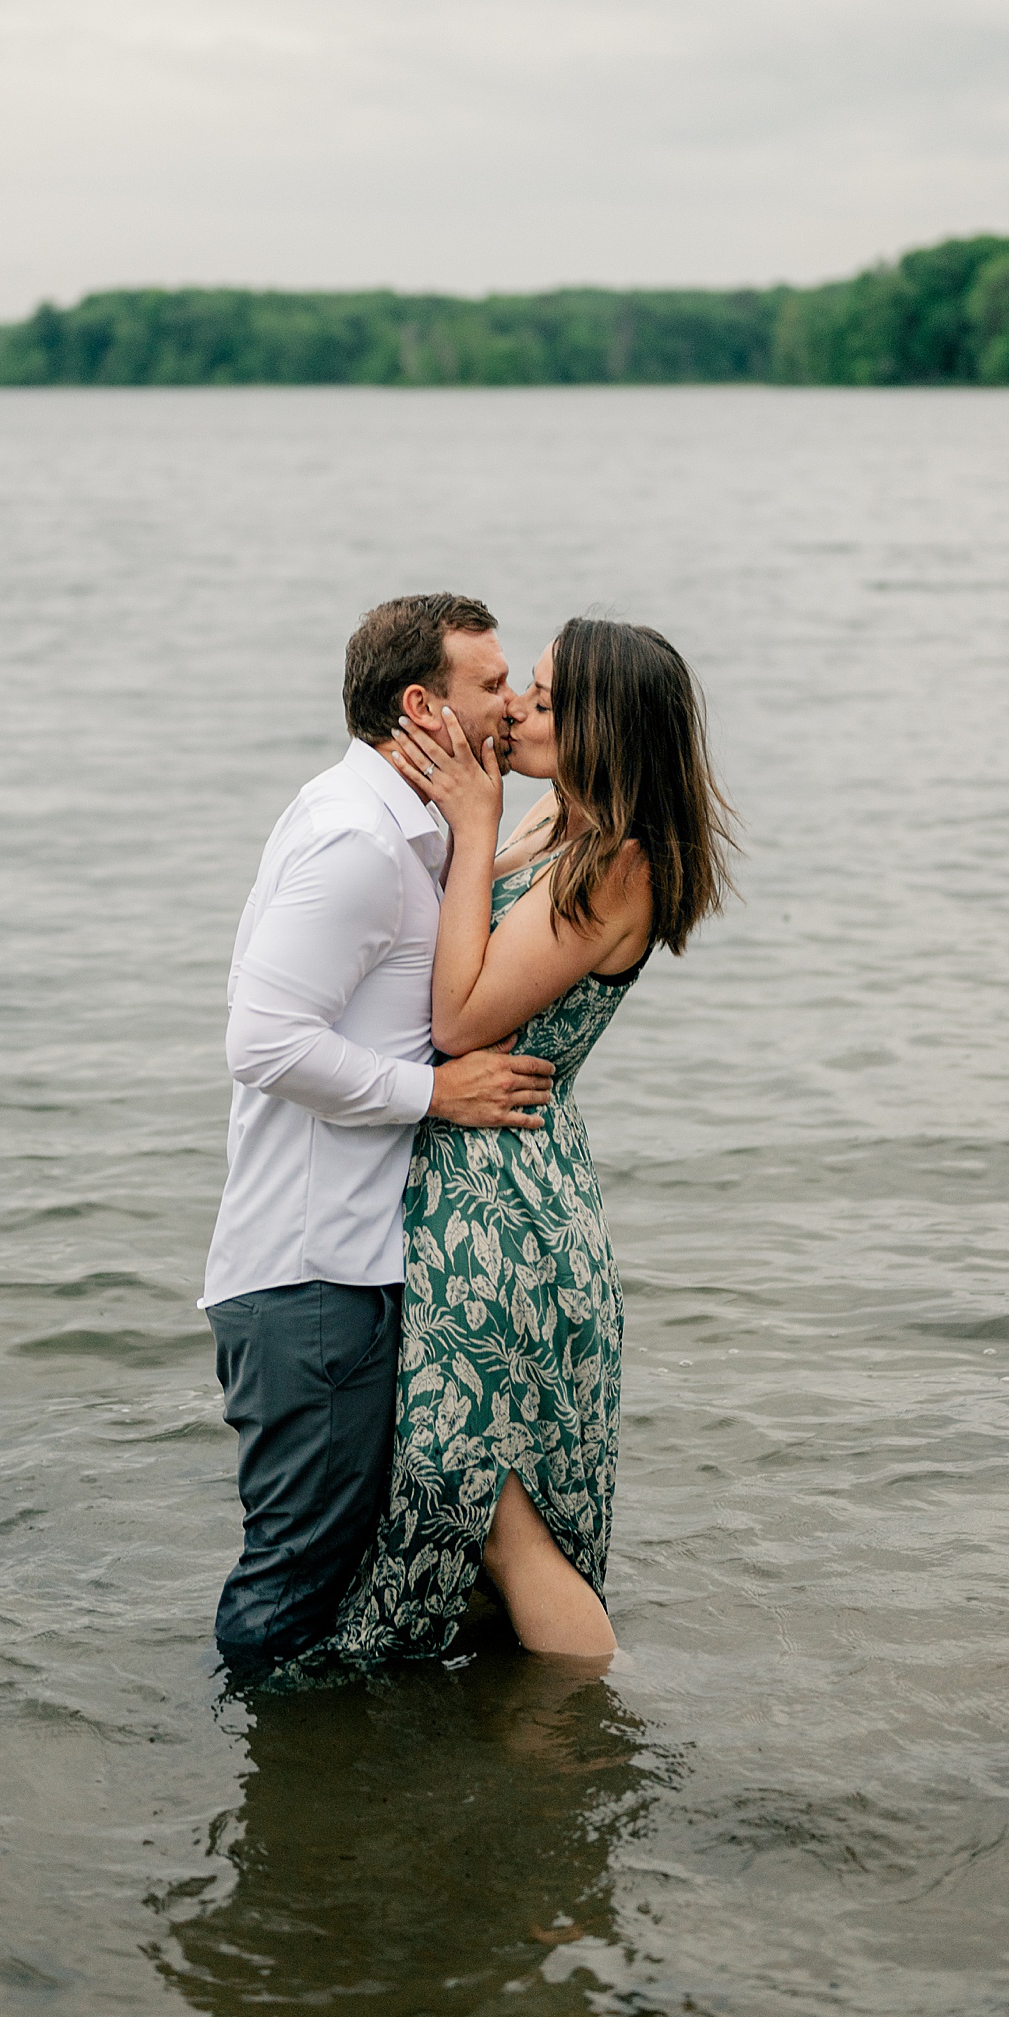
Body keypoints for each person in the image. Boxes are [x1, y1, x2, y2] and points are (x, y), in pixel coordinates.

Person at [321, 615, 736, 1665]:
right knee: (471, 1495)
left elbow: (461, 1020)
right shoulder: (565, 824)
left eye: (544, 698)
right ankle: (519, 1748)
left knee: (498, 1519)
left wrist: (472, 829)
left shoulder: (617, 864)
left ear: (603, 725)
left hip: (499, 1212)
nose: (515, 708)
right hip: (483, 1183)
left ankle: (591, 1729)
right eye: (523, 688)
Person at [202, 593, 557, 1674]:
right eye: (490, 685)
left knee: (345, 1567)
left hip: (349, 1265)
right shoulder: (358, 838)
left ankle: (312, 1806)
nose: (511, 704)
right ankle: (272, 1817)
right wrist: (432, 1094)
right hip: (312, 1275)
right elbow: (261, 1041)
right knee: (296, 1578)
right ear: (422, 704)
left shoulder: (405, 828)